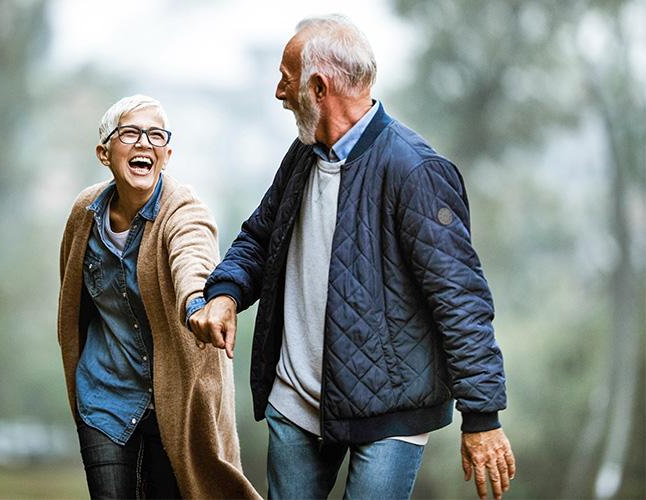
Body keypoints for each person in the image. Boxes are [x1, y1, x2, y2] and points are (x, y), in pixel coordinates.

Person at [189, 15, 515, 500]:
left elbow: (460, 300)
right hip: (295, 403)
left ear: (318, 87)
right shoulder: (302, 155)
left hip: (390, 412)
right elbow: (260, 237)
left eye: (286, 77)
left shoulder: (415, 170)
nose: (279, 92)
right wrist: (225, 293)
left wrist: (482, 417)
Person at [57, 95, 260, 499]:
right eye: (130, 133)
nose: (144, 143)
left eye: (155, 136)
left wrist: (198, 305)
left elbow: (193, 258)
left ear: (166, 154)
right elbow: (72, 297)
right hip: (104, 394)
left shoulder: (183, 209)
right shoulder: (85, 214)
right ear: (104, 152)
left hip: (174, 402)